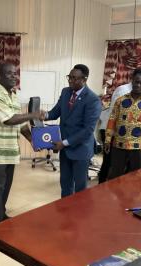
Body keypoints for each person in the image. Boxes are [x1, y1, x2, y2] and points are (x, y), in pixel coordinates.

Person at [0, 62, 44, 225]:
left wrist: (31, 139)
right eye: (9, 74)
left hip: (9, 149)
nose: (13, 76)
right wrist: (33, 114)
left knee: (6, 186)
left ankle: (1, 214)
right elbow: (8, 119)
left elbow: (19, 123)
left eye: (15, 73)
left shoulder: (13, 96)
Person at [44, 64, 101, 197]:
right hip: (65, 150)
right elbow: (54, 112)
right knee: (65, 184)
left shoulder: (93, 100)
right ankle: (65, 214)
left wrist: (63, 143)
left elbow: (87, 130)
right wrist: (43, 115)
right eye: (70, 77)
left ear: (84, 79)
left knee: (80, 188)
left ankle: (78, 216)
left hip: (80, 150)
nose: (70, 80)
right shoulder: (66, 92)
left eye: (75, 78)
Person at [105, 67, 141, 180]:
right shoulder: (120, 101)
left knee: (137, 178)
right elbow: (112, 121)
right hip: (119, 145)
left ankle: (134, 198)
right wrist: (107, 140)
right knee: (115, 177)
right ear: (132, 80)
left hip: (139, 147)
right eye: (136, 82)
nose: (138, 85)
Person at [98, 82, 132, 183]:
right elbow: (116, 113)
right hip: (111, 130)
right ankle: (101, 186)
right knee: (109, 162)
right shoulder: (123, 90)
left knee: (119, 163)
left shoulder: (135, 93)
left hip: (120, 132)